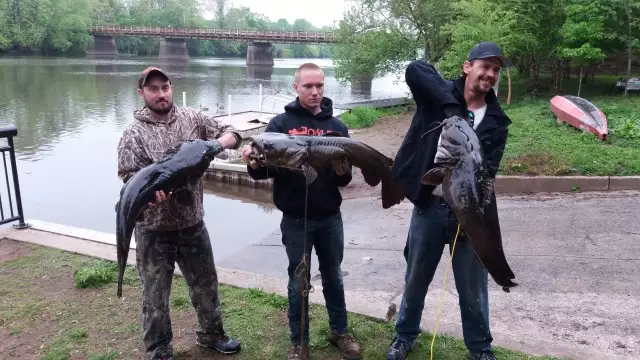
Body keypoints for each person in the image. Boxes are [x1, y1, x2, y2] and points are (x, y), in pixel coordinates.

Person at [386, 42, 513, 360]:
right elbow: (415, 68)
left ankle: (480, 348)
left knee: (473, 288)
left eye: (496, 70)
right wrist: (453, 109)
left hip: (467, 215)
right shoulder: (437, 95)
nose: (491, 74)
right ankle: (404, 336)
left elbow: (489, 174)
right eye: (485, 66)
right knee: (415, 278)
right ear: (467, 67)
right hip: (429, 207)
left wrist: (476, 211)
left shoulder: (498, 122)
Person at [117, 66, 243, 360]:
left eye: (165, 87)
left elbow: (233, 134)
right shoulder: (132, 134)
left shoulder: (194, 119)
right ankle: (159, 349)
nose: (161, 94)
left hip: (192, 224)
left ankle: (212, 335)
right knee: (155, 295)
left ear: (171, 87)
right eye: (153, 89)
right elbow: (128, 179)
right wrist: (151, 197)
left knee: (206, 285)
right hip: (152, 230)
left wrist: (213, 145)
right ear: (141, 93)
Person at [240, 62, 362, 360]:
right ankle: (298, 341)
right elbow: (260, 173)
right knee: (298, 281)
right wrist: (252, 162)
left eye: (319, 86)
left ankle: (339, 331)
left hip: (330, 218)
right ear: (296, 87)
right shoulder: (279, 126)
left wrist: (339, 164)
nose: (315, 91)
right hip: (295, 220)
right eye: (308, 86)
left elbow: (344, 180)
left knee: (334, 276)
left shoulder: (337, 127)